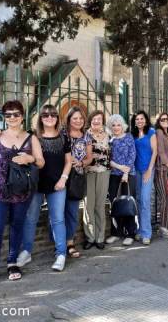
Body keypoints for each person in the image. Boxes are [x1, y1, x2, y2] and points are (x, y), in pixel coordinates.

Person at [0, 100, 44, 284]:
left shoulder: (31, 138)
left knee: (17, 225)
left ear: (22, 116)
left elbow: (41, 162)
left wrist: (29, 158)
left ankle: (12, 262)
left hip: (21, 191)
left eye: (16, 114)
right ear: (4, 117)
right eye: (8, 115)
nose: (12, 117)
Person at [16, 105, 71, 272]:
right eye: (45, 115)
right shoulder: (33, 137)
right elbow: (13, 137)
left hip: (58, 184)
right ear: (40, 118)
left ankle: (61, 254)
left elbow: (69, 162)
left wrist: (63, 179)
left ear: (57, 117)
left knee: (58, 219)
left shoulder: (63, 137)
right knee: (30, 218)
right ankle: (26, 251)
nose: (49, 117)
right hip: (36, 184)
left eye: (53, 114)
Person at [63, 106, 93, 257]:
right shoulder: (62, 134)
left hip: (77, 178)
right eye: (75, 118)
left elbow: (90, 158)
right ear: (68, 119)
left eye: (81, 118)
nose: (78, 121)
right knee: (58, 213)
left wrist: (81, 163)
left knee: (73, 213)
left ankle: (70, 243)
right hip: (61, 177)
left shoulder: (86, 136)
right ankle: (59, 244)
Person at [105, 114, 137, 246]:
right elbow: (108, 159)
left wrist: (126, 172)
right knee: (114, 204)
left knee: (128, 203)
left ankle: (130, 233)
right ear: (110, 127)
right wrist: (119, 167)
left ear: (122, 126)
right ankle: (116, 233)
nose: (116, 127)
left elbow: (132, 155)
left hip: (128, 175)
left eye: (118, 125)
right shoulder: (110, 141)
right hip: (114, 174)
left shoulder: (128, 137)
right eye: (113, 125)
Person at [83, 110, 111, 250]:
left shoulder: (108, 135)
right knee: (89, 206)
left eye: (99, 119)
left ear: (102, 121)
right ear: (90, 120)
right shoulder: (85, 135)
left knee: (100, 205)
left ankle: (100, 237)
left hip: (104, 173)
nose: (96, 121)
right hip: (88, 172)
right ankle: (90, 237)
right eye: (94, 118)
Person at [131, 110, 157, 245]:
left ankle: (147, 233)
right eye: (137, 119)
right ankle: (140, 230)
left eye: (142, 119)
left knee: (145, 200)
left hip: (148, 170)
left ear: (146, 120)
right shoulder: (133, 135)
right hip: (137, 171)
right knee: (139, 200)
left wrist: (149, 169)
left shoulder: (151, 132)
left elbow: (155, 152)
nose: (139, 121)